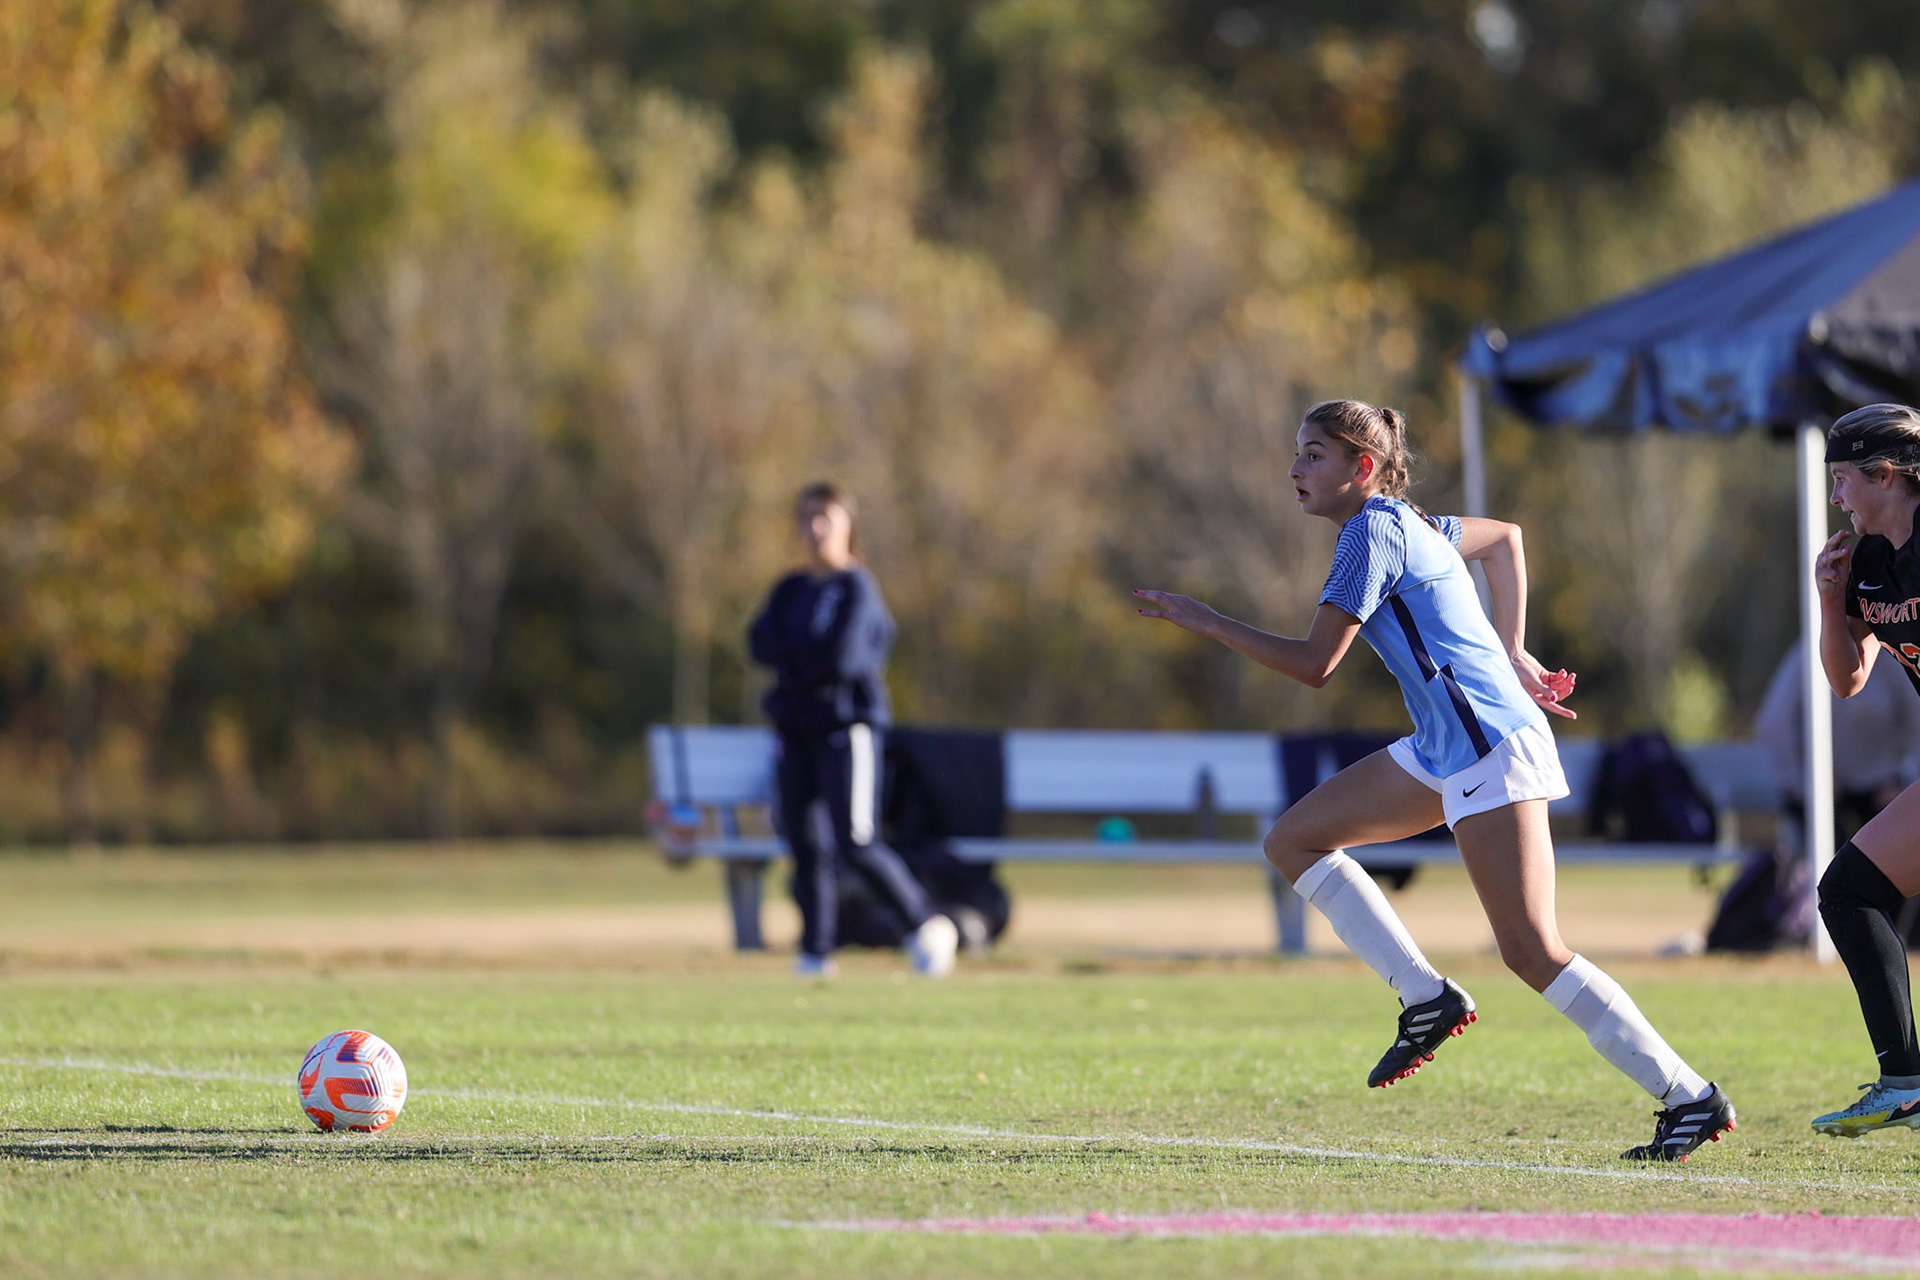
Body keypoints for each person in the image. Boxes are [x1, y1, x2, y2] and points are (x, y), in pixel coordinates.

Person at [1135, 398, 1736, 1162]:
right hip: (1445, 746)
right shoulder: (1413, 524)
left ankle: (1691, 1097)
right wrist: (1514, 649)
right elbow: (1506, 541)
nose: (1294, 467)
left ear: (1363, 468)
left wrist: (1212, 622)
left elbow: (1317, 667)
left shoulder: (1372, 532)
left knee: (1531, 950)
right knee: (1294, 840)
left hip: (1488, 747)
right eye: (1296, 451)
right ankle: (1426, 997)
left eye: (1313, 454)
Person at [748, 482, 959, 979]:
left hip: (846, 730)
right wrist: (803, 658)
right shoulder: (791, 590)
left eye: (826, 518)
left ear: (846, 525)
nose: (815, 529)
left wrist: (797, 658)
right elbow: (759, 643)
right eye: (806, 518)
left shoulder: (858, 588)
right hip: (795, 730)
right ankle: (816, 952)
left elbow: (844, 659)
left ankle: (925, 924)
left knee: (855, 840)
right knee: (804, 843)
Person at [1809, 402, 1920, 1138]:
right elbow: (1846, 680)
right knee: (1848, 889)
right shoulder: (1870, 560)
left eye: (1845, 479)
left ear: (1885, 474)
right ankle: (1904, 1083)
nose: (1838, 497)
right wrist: (1828, 600)